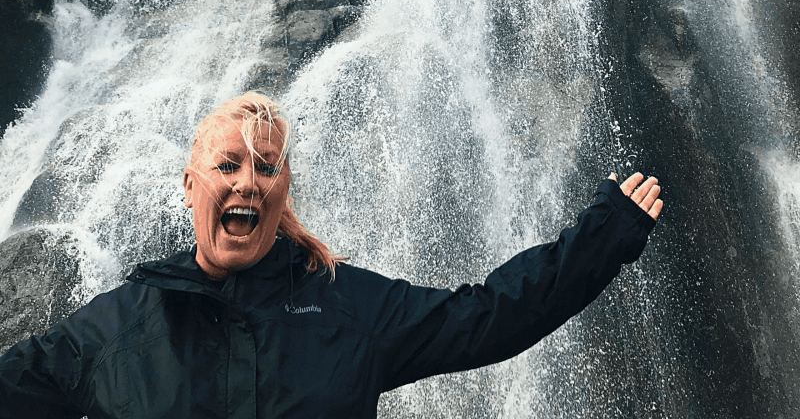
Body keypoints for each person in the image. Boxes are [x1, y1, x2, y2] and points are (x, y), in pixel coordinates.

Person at [0, 92, 662, 418]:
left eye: (266, 166)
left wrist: (603, 238)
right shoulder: (117, 326)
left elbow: (491, 316)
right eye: (227, 164)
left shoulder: (347, 305)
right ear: (191, 184)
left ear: (283, 191)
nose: (246, 180)